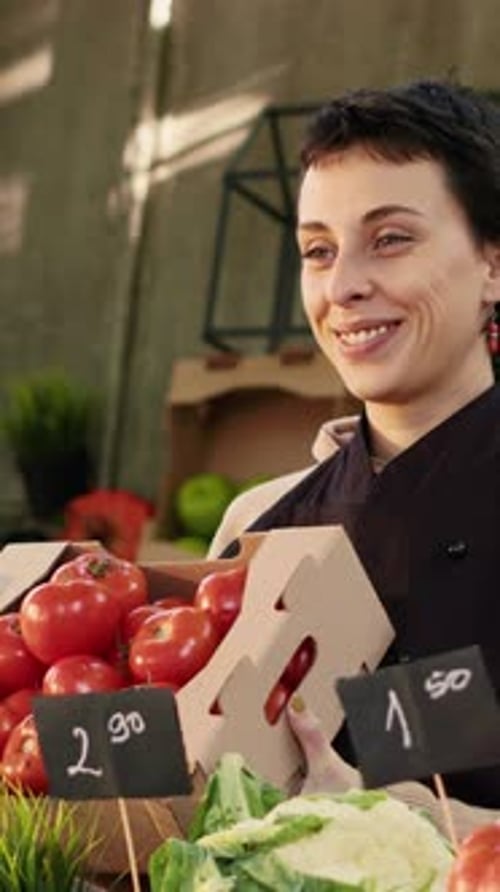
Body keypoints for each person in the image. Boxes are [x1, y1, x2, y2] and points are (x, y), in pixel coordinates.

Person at [208, 79, 500, 832]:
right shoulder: (259, 528)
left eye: (391, 238)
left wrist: (407, 824)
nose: (343, 287)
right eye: (317, 250)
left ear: (493, 266)